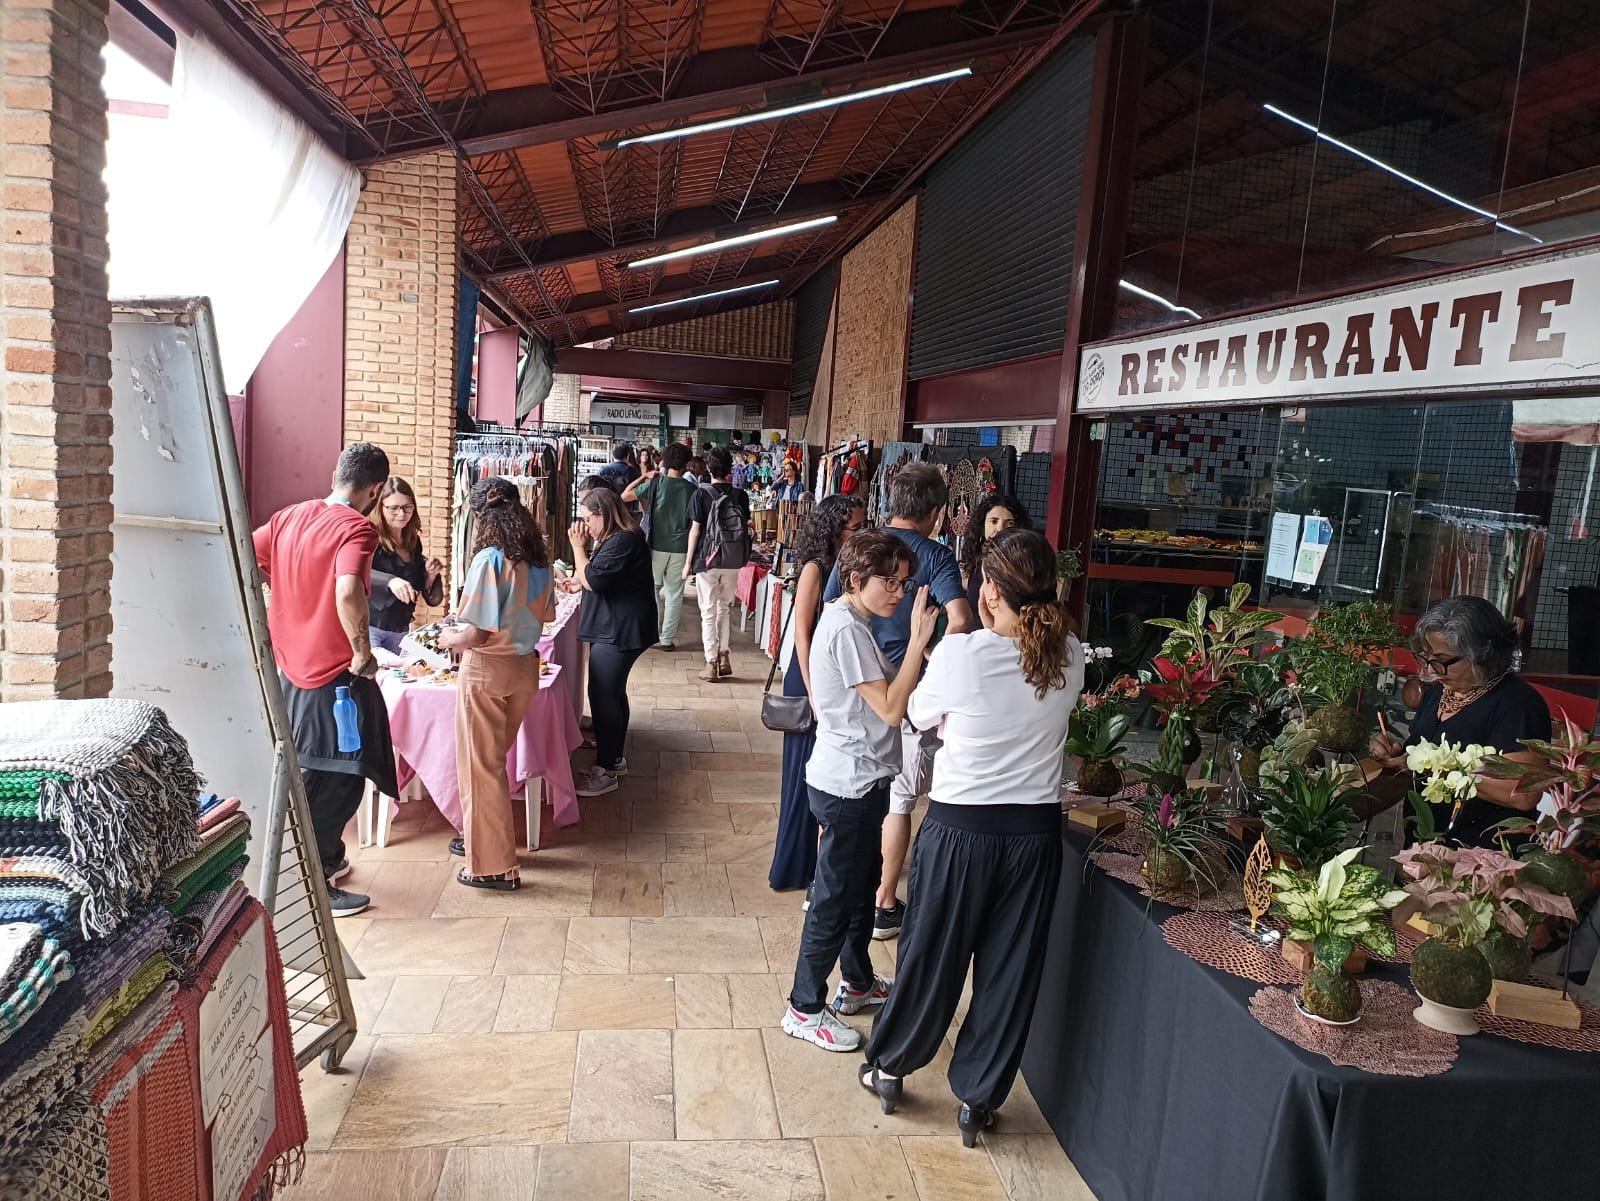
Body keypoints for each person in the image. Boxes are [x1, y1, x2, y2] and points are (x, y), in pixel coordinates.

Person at [860, 528, 1083, 1145]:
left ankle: (892, 1065)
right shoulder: (1070, 655)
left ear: (990, 591)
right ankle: (978, 1100)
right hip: (1034, 836)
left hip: (961, 831)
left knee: (931, 956)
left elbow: (915, 714)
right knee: (1010, 970)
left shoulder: (962, 655)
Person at [780, 530, 937, 1053]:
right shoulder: (846, 628)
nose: (898, 592)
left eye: (903, 582)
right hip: (847, 783)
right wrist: (916, 643)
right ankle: (804, 1007)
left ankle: (857, 981)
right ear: (854, 580)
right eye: (888, 582)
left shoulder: (855, 622)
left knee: (857, 890)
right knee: (832, 900)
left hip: (862, 779)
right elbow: (890, 708)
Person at [823, 462, 973, 939]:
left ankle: (830, 889)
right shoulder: (936, 555)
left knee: (855, 795)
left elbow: (830, 607)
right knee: (899, 799)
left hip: (854, 690)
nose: (896, 590)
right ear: (936, 512)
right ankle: (883, 902)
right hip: (907, 691)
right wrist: (930, 653)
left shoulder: (861, 547)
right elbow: (961, 620)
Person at [253, 442, 398, 918]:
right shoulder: (356, 528)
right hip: (334, 677)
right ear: (376, 491)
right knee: (339, 780)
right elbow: (348, 589)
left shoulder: (287, 518)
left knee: (312, 772)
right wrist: (362, 651)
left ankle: (327, 860)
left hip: (291, 674)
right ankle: (313, 888)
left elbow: (244, 554)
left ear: (335, 475)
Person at [438, 478, 554, 890]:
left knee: (481, 769)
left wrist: (448, 637)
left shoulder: (490, 559)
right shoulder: (538, 560)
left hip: (487, 669)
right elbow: (546, 616)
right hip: (524, 668)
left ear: (480, 515)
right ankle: (482, 842)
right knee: (490, 765)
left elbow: (476, 634)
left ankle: (492, 866)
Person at [1369, 595, 1551, 845]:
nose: (1431, 670)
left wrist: (1436, 769)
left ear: (1481, 654)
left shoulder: (1519, 705)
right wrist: (1397, 754)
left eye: (1442, 661)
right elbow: (1421, 755)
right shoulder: (1438, 692)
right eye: (1427, 658)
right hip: (1425, 842)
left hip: (1481, 852)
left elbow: (1521, 794)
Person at [769, 495, 866, 893]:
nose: (860, 533)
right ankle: (796, 864)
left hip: (830, 675)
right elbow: (802, 635)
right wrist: (813, 691)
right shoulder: (815, 568)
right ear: (834, 529)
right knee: (803, 771)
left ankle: (817, 862)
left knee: (822, 770)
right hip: (808, 675)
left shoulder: (848, 567)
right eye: (855, 527)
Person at [565, 487, 656, 797]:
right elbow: (602, 576)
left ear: (603, 514)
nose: (584, 526)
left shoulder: (624, 540)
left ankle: (605, 770)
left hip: (619, 629)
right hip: (618, 626)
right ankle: (614, 758)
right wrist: (578, 580)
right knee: (612, 692)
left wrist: (578, 549)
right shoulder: (617, 538)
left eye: (587, 519)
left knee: (603, 693)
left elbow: (596, 579)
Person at [684, 446, 751, 683]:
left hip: (708, 560)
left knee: (708, 612)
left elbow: (695, 531)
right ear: (729, 469)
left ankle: (710, 662)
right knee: (724, 609)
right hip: (732, 560)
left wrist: (688, 563)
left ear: (708, 469)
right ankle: (724, 657)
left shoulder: (700, 494)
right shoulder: (741, 496)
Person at [623, 442, 696, 652]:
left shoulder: (656, 483)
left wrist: (644, 477)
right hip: (681, 548)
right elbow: (695, 524)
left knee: (652, 589)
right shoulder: (692, 489)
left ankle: (652, 634)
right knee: (674, 594)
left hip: (655, 545)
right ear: (686, 464)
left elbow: (624, 496)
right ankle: (666, 640)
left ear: (665, 461)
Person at [367, 477, 444, 654]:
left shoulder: (413, 541)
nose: (401, 514)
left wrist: (430, 575)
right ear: (380, 507)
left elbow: (415, 586)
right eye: (393, 508)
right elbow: (355, 572)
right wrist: (390, 581)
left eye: (407, 507)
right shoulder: (369, 536)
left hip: (400, 627)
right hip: (370, 626)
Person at [960, 493, 1033, 613]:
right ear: (982, 526)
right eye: (994, 521)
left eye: (1009, 523)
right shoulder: (971, 563)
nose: (1000, 529)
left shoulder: (1025, 567)